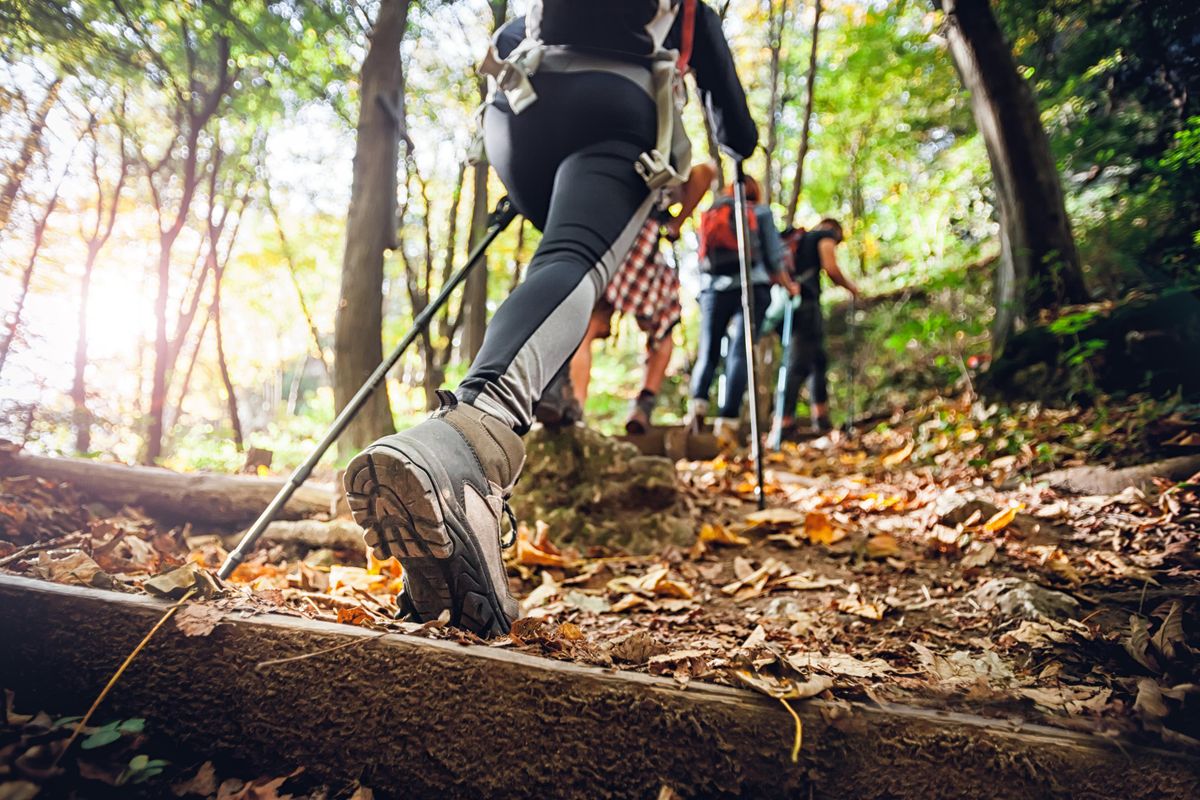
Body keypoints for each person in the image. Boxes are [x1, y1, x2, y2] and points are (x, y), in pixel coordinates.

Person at [343, 1, 757, 636]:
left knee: (556, 256)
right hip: (612, 110)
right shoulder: (690, 10)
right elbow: (736, 130)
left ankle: (548, 393)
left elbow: (510, 35)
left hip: (517, 112)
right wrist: (735, 145)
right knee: (574, 260)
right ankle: (471, 449)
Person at [538, 161, 717, 434]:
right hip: (644, 245)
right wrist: (676, 223)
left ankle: (572, 407)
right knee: (662, 329)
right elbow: (707, 171)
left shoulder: (602, 162)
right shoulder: (660, 157)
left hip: (602, 239)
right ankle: (643, 405)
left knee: (585, 328)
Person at [685, 176, 796, 444]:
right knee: (740, 352)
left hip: (713, 289)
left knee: (709, 351)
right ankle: (727, 421)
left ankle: (696, 409)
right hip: (752, 287)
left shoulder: (712, 211)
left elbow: (699, 259)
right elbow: (773, 256)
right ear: (755, 193)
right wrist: (788, 285)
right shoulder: (760, 212)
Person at [774, 218, 860, 435]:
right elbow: (830, 267)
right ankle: (784, 422)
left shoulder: (800, 240)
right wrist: (851, 288)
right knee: (798, 362)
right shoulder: (824, 235)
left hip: (789, 306)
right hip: (805, 304)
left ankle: (820, 417)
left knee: (817, 360)